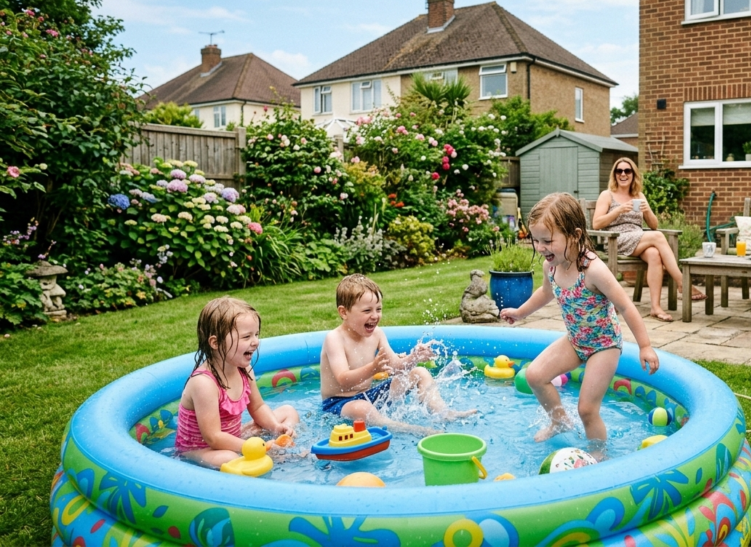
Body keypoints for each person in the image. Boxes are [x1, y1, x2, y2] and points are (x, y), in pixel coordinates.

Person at [500, 193, 660, 448]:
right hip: (576, 340)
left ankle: (598, 454)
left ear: (574, 235)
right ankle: (559, 421)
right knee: (534, 375)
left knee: (587, 409)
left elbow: (625, 306)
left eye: (547, 241)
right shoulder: (550, 266)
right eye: (536, 240)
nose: (541, 247)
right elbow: (545, 293)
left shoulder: (593, 270)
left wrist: (645, 346)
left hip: (603, 345)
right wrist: (520, 312)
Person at [320, 274, 475, 435]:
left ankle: (442, 412)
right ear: (344, 312)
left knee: (419, 373)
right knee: (363, 408)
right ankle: (410, 429)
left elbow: (397, 368)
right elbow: (344, 380)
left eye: (378, 309)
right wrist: (374, 368)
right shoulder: (335, 339)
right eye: (367, 310)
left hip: (368, 395)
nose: (375, 315)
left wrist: (414, 357)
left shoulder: (377, 334)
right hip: (339, 402)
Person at [175, 297, 299, 468]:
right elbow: (213, 437)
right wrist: (254, 448)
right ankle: (269, 452)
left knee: (288, 411)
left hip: (233, 437)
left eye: (256, 334)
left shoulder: (244, 370)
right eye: (247, 336)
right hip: (202, 448)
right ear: (215, 342)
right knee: (228, 458)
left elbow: (257, 407)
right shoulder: (204, 383)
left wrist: (275, 427)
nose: (255, 341)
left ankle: (280, 445)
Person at [592, 157, 705, 322]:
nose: (623, 174)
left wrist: (647, 211)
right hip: (616, 240)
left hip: (638, 238)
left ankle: (655, 307)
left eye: (627, 171)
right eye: (619, 171)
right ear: (614, 174)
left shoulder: (638, 195)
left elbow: (654, 225)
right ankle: (683, 283)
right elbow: (596, 224)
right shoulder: (607, 195)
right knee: (658, 237)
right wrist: (619, 210)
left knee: (654, 254)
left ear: (633, 174)